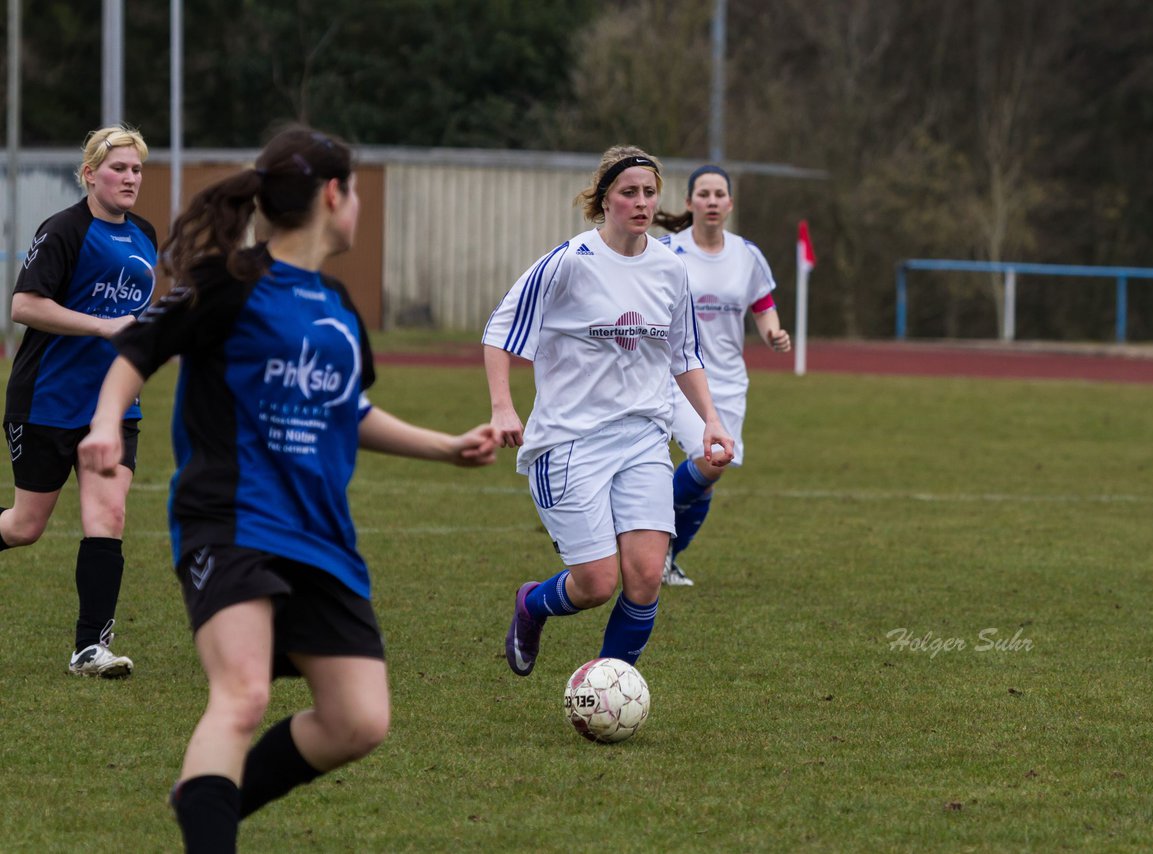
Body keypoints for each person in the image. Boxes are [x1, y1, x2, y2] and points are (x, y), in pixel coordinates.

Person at [78, 125, 498, 853]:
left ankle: (208, 799)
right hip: (231, 521)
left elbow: (349, 411)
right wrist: (107, 423)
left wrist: (446, 449)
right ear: (334, 196)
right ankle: (210, 822)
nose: (358, 204)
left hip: (321, 535)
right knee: (242, 696)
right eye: (356, 190)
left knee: (358, 720)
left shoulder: (337, 305)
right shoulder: (227, 281)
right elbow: (137, 348)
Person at [483, 145, 734, 679]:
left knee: (644, 575)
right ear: (604, 200)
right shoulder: (569, 263)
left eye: (649, 192)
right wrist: (502, 407)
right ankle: (532, 604)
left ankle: (610, 685)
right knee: (596, 583)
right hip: (569, 441)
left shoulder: (671, 268)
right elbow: (500, 332)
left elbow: (683, 353)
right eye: (629, 193)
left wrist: (711, 418)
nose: (641, 203)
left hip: (643, 435)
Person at [1, 125, 157, 677]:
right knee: (25, 526)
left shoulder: (145, 236)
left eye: (137, 169)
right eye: (118, 168)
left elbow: (137, 321)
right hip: (46, 398)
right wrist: (102, 327)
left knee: (108, 515)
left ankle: (90, 648)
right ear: (90, 174)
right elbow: (23, 305)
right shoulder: (64, 229)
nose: (130, 178)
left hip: (114, 407)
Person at [653, 165, 791, 586]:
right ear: (690, 202)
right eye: (704, 194)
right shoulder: (666, 252)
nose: (712, 201)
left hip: (729, 381)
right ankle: (640, 534)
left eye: (719, 195)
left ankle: (666, 557)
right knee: (709, 463)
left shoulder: (746, 254)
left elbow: (763, 305)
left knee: (707, 481)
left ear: (729, 204)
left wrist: (773, 333)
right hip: (676, 377)